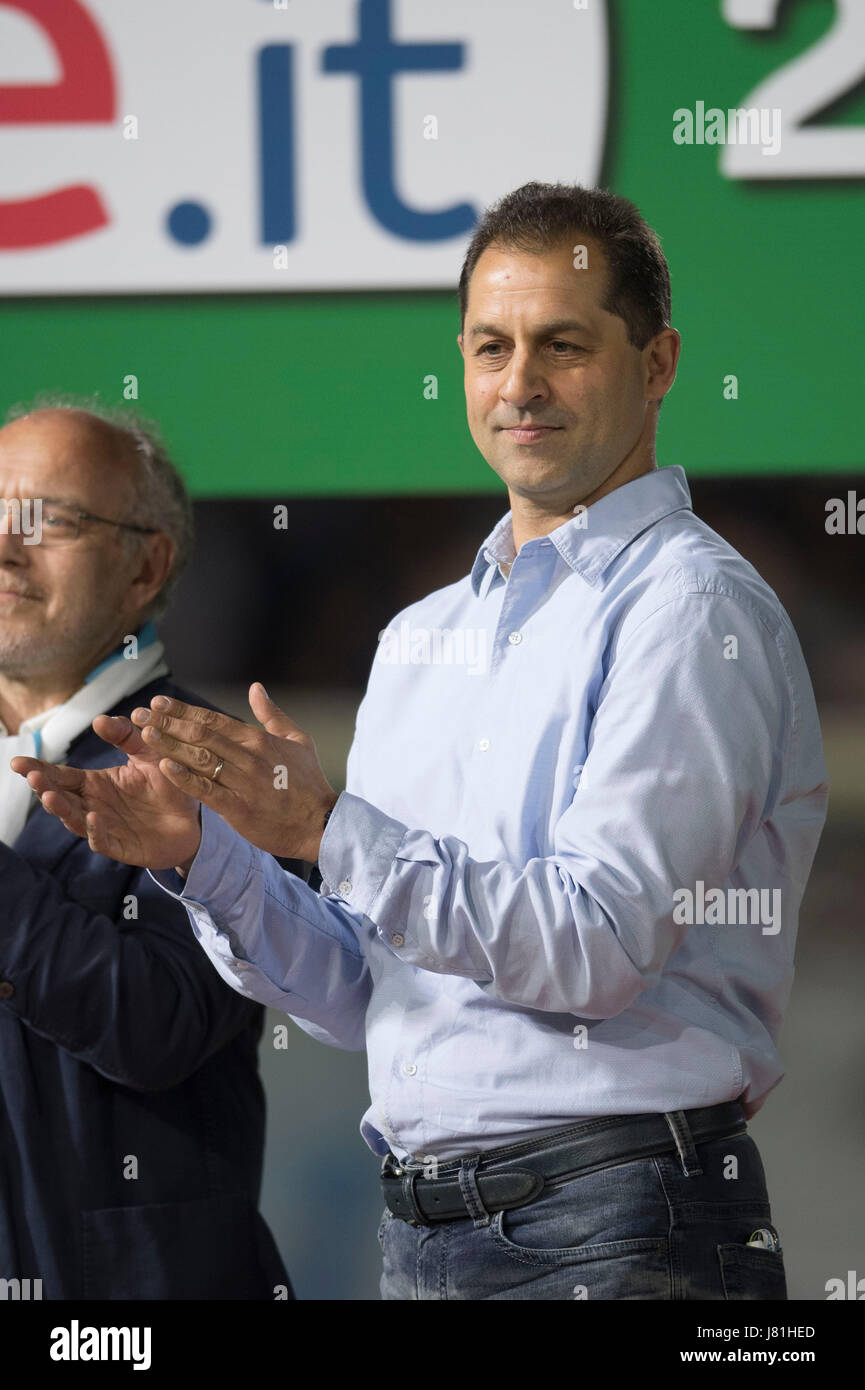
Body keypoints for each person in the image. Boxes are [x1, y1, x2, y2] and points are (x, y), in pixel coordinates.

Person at [18, 185, 829, 1301]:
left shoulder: (690, 611)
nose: (521, 384)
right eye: (491, 346)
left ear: (657, 364)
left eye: (564, 345)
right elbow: (370, 994)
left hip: (625, 1225)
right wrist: (205, 857)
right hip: (425, 1235)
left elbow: (595, 947)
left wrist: (324, 826)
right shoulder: (420, 637)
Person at [0, 399, 291, 1300]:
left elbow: (155, 1024)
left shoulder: (212, 764)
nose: (7, 549)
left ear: (144, 568)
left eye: (50, 521)